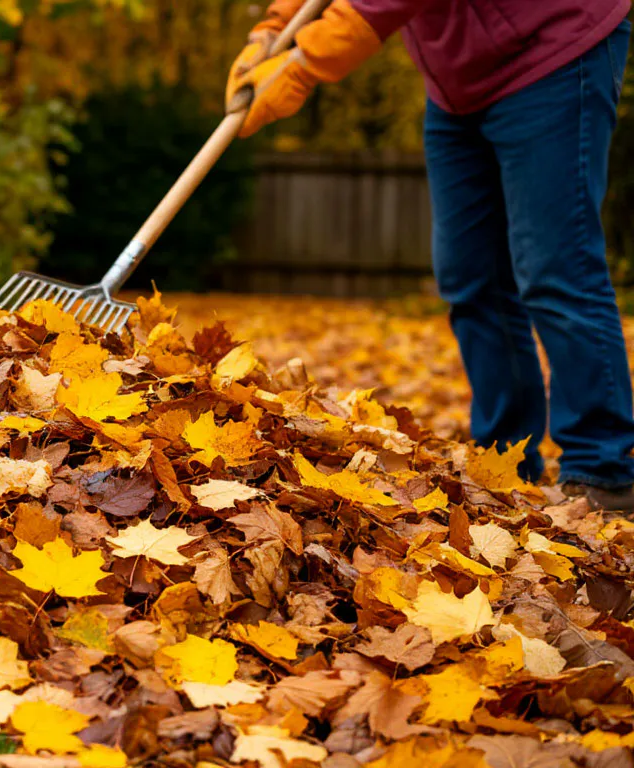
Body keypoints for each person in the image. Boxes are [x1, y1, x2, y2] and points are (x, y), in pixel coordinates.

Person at [227, 0, 634, 511]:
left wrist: (308, 60)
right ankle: (506, 460)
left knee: (555, 267)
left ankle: (603, 467)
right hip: (459, 81)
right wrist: (273, 29)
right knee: (471, 277)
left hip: (550, 45)